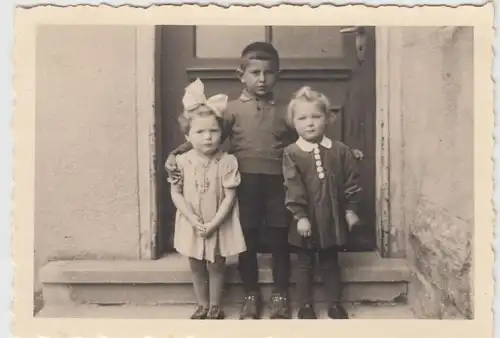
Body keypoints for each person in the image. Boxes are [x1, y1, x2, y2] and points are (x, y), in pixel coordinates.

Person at [166, 42, 364, 319]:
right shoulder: (231, 110)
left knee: (278, 240)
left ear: (277, 75)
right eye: (255, 73)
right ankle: (250, 295)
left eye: (268, 73)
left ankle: (280, 295)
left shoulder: (285, 111)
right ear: (241, 75)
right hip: (242, 184)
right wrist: (176, 154)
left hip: (278, 184)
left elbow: (308, 138)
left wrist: (346, 151)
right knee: (246, 240)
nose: (262, 79)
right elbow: (206, 137)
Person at [282, 86, 363, 320]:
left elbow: (351, 181)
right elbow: (292, 185)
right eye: (302, 118)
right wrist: (300, 216)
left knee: (330, 261)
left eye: (316, 117)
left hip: (332, 217)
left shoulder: (340, 150)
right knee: (304, 263)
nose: (310, 123)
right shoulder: (292, 153)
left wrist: (350, 209)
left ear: (327, 119)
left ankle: (334, 303)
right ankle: (305, 305)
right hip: (306, 219)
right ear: (293, 123)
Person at [169, 78, 246, 320]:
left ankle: (215, 305)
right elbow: (176, 192)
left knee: (216, 263)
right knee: (196, 264)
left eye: (213, 131)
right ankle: (201, 304)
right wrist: (191, 218)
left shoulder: (228, 161)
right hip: (192, 221)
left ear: (221, 133)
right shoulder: (181, 161)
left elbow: (230, 196)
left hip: (218, 221)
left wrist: (214, 223)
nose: (207, 137)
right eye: (200, 132)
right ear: (188, 135)